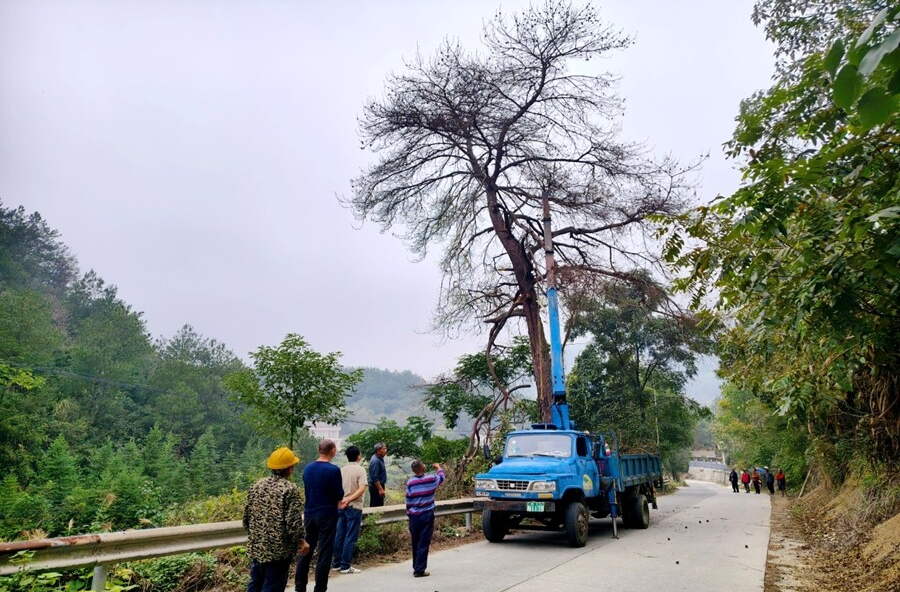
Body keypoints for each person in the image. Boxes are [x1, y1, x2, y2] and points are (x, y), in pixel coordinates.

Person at [243, 447, 310, 592]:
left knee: (255, 582)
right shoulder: (289, 489)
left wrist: (256, 536)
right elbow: (293, 522)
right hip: (278, 549)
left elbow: (246, 518)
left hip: (257, 545)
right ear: (290, 468)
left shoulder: (256, 486)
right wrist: (301, 540)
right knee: (273, 585)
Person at [295, 439, 344, 592]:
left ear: (319, 450)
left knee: (305, 549)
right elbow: (339, 494)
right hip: (327, 515)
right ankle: (320, 588)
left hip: (309, 513)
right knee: (324, 552)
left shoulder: (308, 468)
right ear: (333, 451)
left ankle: (299, 587)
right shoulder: (334, 470)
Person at [405, 460, 445, 578]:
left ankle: (416, 566)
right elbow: (442, 477)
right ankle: (419, 569)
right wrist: (438, 467)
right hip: (427, 514)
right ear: (423, 468)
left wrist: (409, 514)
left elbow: (408, 500)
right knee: (424, 542)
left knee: (415, 541)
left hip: (414, 515)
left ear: (413, 470)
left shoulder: (410, 482)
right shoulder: (431, 479)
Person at [331, 445, 367, 574]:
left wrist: (342, 501)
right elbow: (361, 489)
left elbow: (336, 490)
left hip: (341, 506)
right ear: (358, 456)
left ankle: (336, 563)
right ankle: (345, 565)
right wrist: (349, 500)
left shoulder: (341, 470)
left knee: (339, 535)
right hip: (354, 506)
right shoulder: (360, 470)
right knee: (350, 537)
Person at [368, 442, 388, 507]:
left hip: (378, 485)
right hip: (376, 486)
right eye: (384, 449)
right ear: (378, 450)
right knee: (376, 506)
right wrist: (380, 489)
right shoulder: (375, 461)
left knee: (379, 504)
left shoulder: (379, 458)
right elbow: (374, 477)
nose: (386, 450)